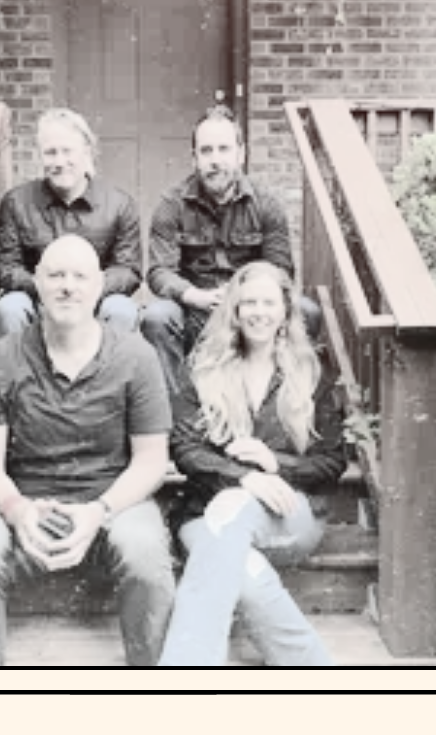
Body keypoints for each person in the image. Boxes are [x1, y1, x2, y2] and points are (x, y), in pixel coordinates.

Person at [0, 234, 176, 666]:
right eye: (56, 275)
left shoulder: (136, 357)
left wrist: (100, 511)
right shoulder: (1, 359)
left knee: (146, 553)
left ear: (99, 286)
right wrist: (17, 511)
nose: (67, 286)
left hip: (114, 504)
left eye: (79, 276)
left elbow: (152, 461)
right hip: (27, 501)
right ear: (37, 283)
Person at [157, 261, 348, 666]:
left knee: (231, 515)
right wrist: (244, 478)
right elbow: (185, 450)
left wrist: (275, 464)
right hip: (203, 514)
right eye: (248, 303)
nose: (259, 312)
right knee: (242, 568)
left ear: (285, 311)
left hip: (290, 513)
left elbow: (332, 461)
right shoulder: (203, 369)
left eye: (268, 302)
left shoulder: (312, 373)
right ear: (235, 311)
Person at [141, 106, 320, 400]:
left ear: (241, 154)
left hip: (249, 306)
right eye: (206, 151)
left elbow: (281, 271)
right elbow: (159, 273)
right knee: (158, 317)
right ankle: (173, 415)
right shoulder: (171, 205)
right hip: (194, 310)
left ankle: (282, 404)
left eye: (224, 149)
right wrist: (193, 295)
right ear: (194, 158)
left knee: (307, 312)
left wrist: (244, 297)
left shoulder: (266, 205)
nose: (215, 160)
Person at [0, 108, 142, 338]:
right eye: (51, 153)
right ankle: (17, 375)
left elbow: (128, 270)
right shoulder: (16, 202)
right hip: (37, 301)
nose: (60, 161)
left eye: (67, 151)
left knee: (121, 309)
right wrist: (47, 288)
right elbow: (4, 268)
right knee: (10, 308)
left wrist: (85, 290)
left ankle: (110, 374)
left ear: (86, 152)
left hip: (95, 304)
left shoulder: (119, 204)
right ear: (41, 156)